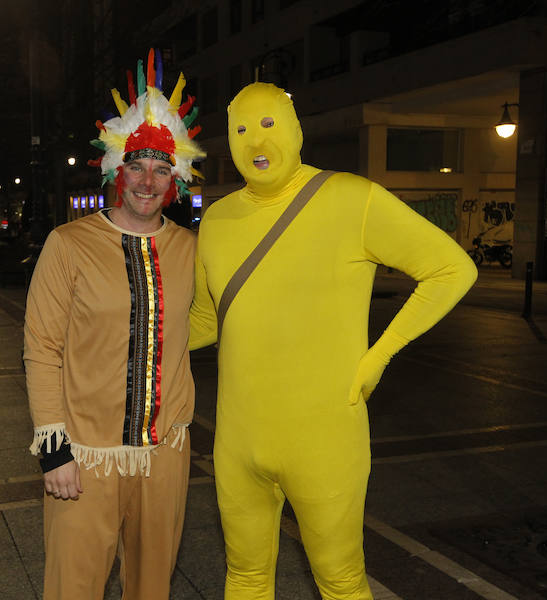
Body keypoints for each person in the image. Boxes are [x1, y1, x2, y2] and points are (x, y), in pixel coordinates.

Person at [189, 82, 478, 600]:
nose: (256, 140)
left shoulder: (350, 198)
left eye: (269, 124)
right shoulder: (216, 220)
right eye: (240, 129)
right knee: (245, 576)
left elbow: (451, 268)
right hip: (237, 442)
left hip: (324, 440)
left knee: (341, 581)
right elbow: (206, 322)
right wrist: (124, 332)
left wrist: (380, 354)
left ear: (297, 132)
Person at [24, 49, 205, 600]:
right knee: (73, 585)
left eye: (161, 169)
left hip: (164, 456)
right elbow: (42, 347)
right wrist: (53, 448)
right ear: (115, 169)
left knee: (153, 586)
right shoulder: (68, 243)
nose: (147, 181)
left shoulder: (192, 250)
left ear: (174, 179)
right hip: (84, 457)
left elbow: (217, 320)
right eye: (137, 165)